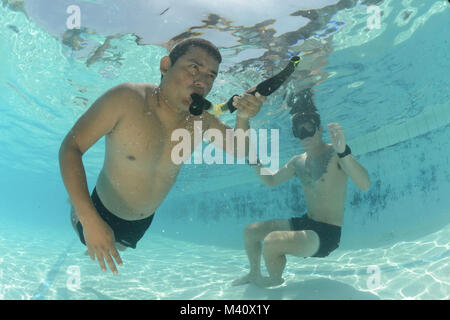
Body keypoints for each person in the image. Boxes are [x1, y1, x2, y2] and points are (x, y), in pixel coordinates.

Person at [59, 38, 265, 275]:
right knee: (87, 240)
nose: (201, 82)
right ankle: (75, 205)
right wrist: (90, 220)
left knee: (118, 252)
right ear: (166, 66)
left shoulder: (200, 121)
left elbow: (242, 150)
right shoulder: (126, 98)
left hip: (142, 222)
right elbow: (70, 148)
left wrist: (243, 118)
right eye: (194, 68)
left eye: (211, 76)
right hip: (100, 210)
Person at [232, 111, 371, 287]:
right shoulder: (297, 161)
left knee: (272, 241)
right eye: (299, 130)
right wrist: (254, 161)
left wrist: (344, 152)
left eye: (309, 128)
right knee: (251, 231)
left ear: (319, 129)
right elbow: (271, 180)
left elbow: (365, 184)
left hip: (325, 234)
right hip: (306, 222)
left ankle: (274, 279)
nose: (304, 134)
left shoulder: (336, 154)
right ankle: (254, 273)